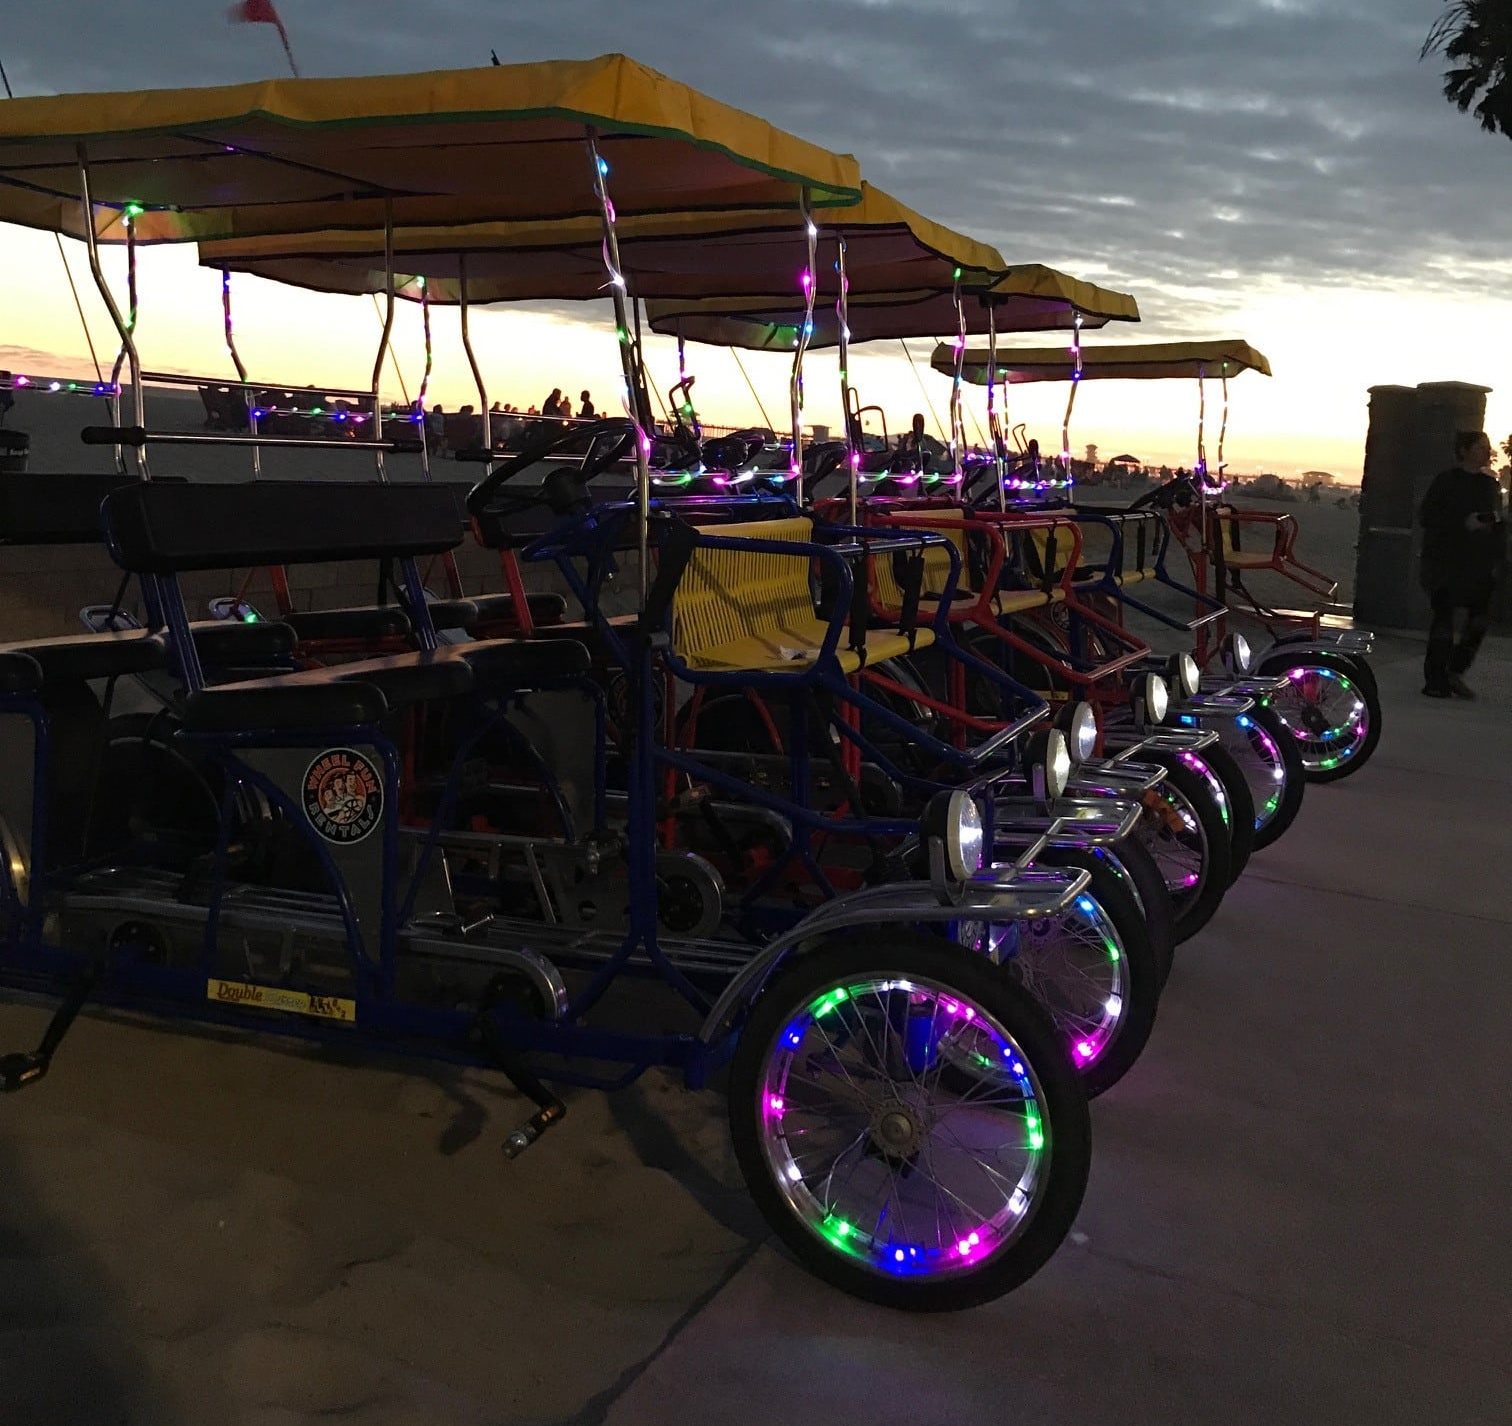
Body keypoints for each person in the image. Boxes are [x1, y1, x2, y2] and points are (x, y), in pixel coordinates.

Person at [1418, 429, 1507, 699]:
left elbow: (1497, 521)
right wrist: (1462, 524)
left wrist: (1495, 545)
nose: (1486, 452)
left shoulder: (1489, 485)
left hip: (1479, 564)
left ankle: (1455, 670)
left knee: (1478, 621)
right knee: (1443, 621)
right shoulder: (1446, 481)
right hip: (1445, 564)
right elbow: (1428, 516)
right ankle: (1436, 680)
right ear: (1464, 451)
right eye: (1480, 447)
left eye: (1487, 447)